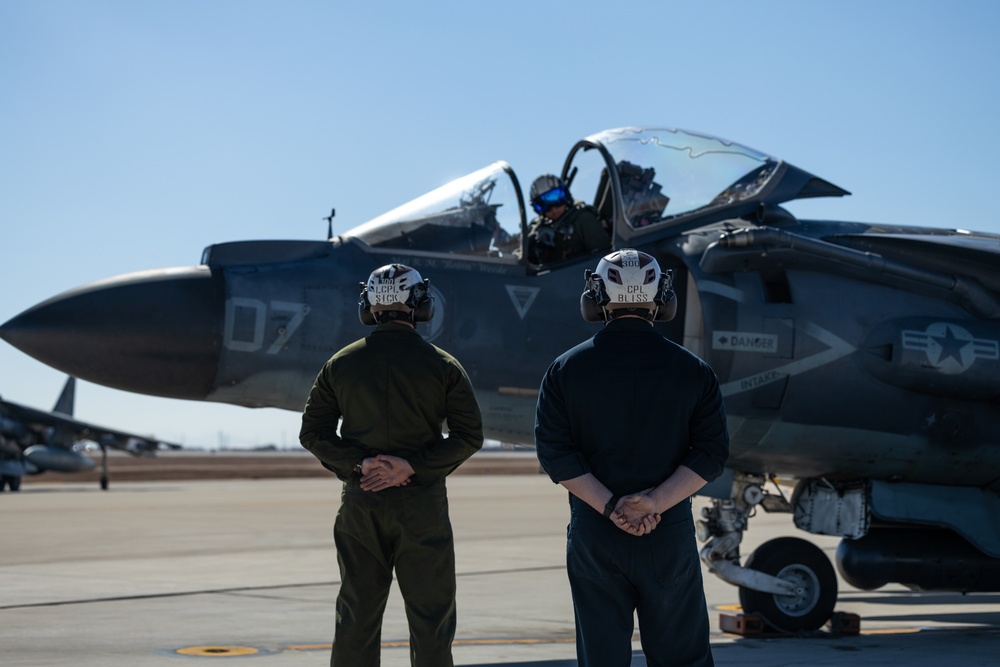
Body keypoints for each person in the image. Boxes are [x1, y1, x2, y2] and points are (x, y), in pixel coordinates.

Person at [534, 248, 730, 667]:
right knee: (684, 659)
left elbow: (554, 453)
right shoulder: (694, 371)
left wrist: (610, 507)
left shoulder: (564, 370)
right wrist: (653, 504)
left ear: (597, 295)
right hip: (668, 533)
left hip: (595, 532)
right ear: (661, 297)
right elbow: (712, 453)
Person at [299, 263, 484, 667]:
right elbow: (470, 437)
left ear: (369, 305)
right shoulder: (444, 365)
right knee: (431, 622)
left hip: (361, 505)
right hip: (421, 509)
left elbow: (313, 432)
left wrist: (361, 464)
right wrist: (410, 467)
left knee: (356, 619)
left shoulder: (339, 364)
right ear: (420, 304)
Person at [526, 174, 610, 265]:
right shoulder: (536, 230)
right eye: (544, 205)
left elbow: (606, 260)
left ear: (566, 195)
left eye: (558, 200)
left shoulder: (583, 219)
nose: (554, 209)